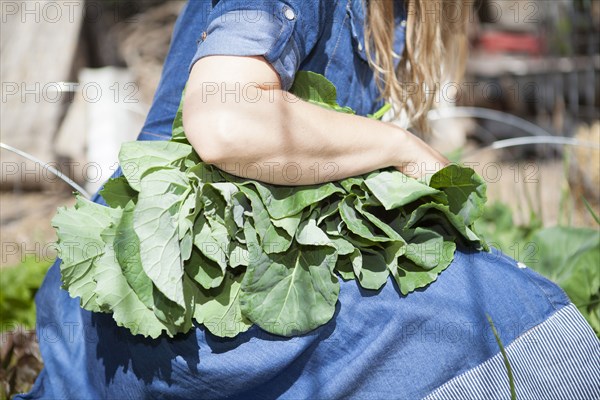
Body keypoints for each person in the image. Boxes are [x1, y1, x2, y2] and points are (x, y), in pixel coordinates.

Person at [18, 1, 600, 399]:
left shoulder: (396, 14)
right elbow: (226, 119)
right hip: (180, 293)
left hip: (256, 274)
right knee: (497, 319)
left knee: (517, 311)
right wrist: (399, 146)